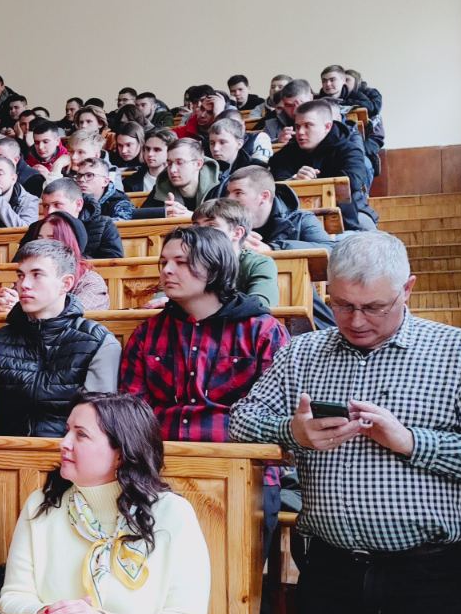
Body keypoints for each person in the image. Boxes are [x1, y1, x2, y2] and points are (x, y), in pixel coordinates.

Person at [225, 233, 461, 614]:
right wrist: (293, 433)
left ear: (407, 289)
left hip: (432, 577)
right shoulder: (302, 353)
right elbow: (240, 423)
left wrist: (412, 442)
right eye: (341, 305)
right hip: (331, 572)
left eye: (374, 307)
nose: (356, 321)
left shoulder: (460, 353)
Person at [0, 392, 211, 614]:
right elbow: (12, 598)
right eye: (67, 431)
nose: (64, 443)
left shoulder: (173, 513)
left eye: (81, 435)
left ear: (121, 452)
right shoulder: (42, 504)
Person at [119, 227, 288, 442]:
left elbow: (276, 413)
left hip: (238, 455)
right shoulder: (147, 333)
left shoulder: (262, 331)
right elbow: (132, 410)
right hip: (160, 452)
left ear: (214, 267)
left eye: (181, 262)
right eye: (163, 262)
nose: (167, 270)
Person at [0, 241, 121, 437]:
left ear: (66, 284)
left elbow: (95, 428)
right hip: (7, 452)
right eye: (21, 275)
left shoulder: (99, 344)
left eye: (37, 275)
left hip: (69, 453)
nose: (24, 285)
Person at [268, 100, 379, 230]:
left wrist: (311, 183)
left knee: (368, 233)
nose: (300, 132)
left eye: (308, 125)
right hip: (297, 214)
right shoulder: (286, 153)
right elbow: (276, 182)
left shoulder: (349, 149)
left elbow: (353, 182)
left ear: (327, 127)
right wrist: (293, 180)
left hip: (351, 211)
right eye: (297, 126)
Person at [7, 213, 110, 312]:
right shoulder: (27, 276)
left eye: (51, 239)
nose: (43, 245)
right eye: (39, 239)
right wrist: (4, 305)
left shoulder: (90, 282)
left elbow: (77, 316)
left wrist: (18, 309)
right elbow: (12, 306)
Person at [191, 199, 281, 310]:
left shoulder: (259, 263)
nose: (199, 232)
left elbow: (259, 306)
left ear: (237, 233)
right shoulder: (190, 262)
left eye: (211, 225)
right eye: (196, 226)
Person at [224, 166, 335, 251]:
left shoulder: (301, 219)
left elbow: (329, 249)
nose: (229, 199)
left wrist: (272, 248)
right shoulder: (224, 223)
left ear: (264, 196)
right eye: (229, 193)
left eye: (238, 193)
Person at [40, 179, 123, 260]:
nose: (50, 211)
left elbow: (113, 264)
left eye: (57, 205)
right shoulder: (38, 228)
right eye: (46, 206)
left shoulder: (104, 226)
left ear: (78, 204)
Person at [140, 139, 221, 220]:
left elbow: (225, 220)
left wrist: (192, 217)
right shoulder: (162, 185)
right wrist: (162, 212)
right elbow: (139, 217)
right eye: (169, 163)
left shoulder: (220, 187)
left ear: (198, 164)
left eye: (180, 162)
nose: (172, 170)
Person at [123, 129, 175, 193]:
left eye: (157, 150)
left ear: (169, 152)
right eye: (147, 149)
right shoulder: (129, 182)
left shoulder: (179, 180)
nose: (150, 154)